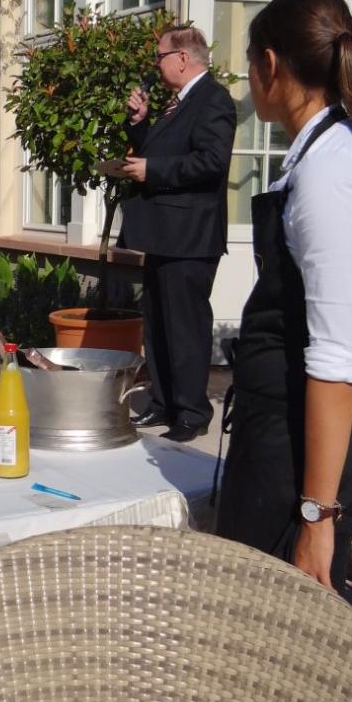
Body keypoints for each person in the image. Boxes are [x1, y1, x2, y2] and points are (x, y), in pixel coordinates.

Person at [215, 0, 352, 592]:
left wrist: (316, 515)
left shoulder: (330, 172)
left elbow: (336, 356)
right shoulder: (322, 157)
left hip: (298, 461)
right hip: (281, 441)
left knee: (272, 634)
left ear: (270, 64)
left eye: (249, 62)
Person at [118, 25, 236, 442]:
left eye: (160, 56)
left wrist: (153, 170)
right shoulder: (179, 103)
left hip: (190, 236)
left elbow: (212, 162)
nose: (157, 64)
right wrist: (139, 125)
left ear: (183, 58)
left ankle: (191, 412)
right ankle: (164, 401)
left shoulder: (213, 99)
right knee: (158, 324)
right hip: (164, 235)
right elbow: (162, 151)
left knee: (185, 327)